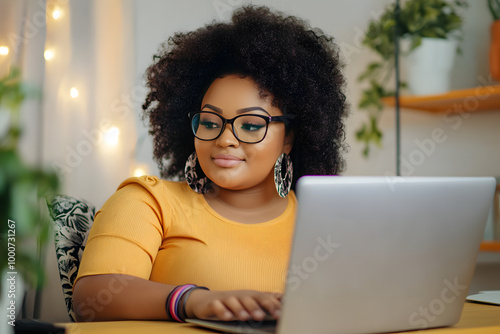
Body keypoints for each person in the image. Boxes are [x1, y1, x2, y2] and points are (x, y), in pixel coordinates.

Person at [73, 5, 348, 323]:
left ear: (289, 137)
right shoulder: (150, 201)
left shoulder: (322, 224)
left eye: (249, 125)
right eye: (209, 121)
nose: (225, 139)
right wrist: (192, 300)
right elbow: (91, 299)